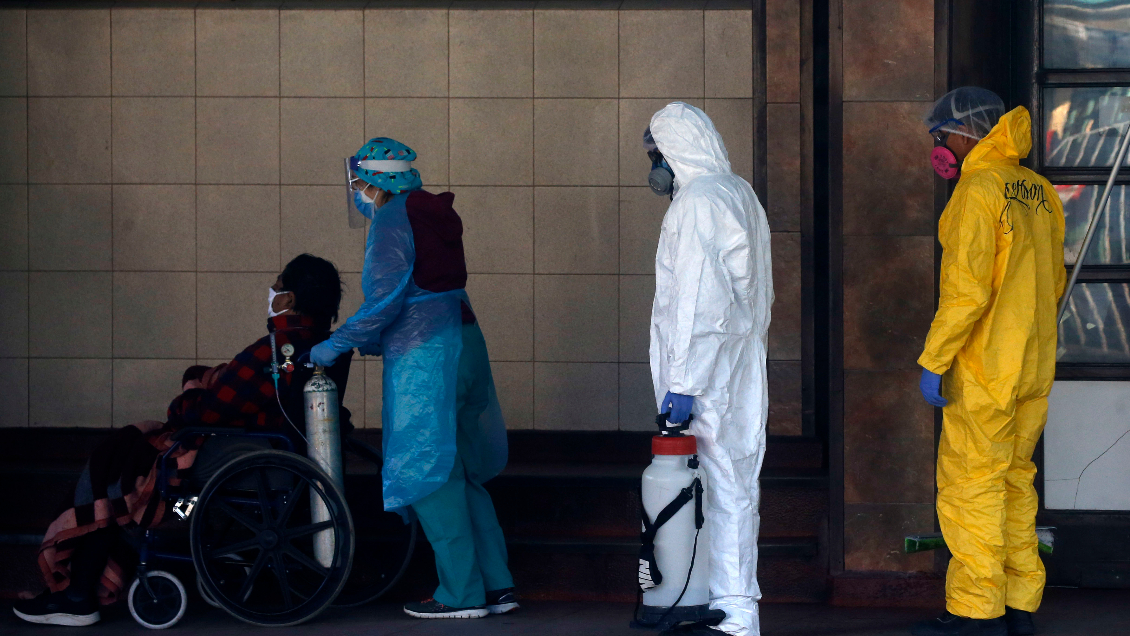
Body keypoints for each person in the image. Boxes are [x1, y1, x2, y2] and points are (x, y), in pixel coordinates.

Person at [14, 254, 349, 626]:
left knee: (117, 467)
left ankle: (77, 594)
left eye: (278, 284)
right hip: (273, 452)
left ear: (289, 298)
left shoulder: (275, 351)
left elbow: (200, 413)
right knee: (124, 458)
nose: (272, 291)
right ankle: (82, 585)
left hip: (245, 457)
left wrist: (191, 387)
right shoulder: (322, 346)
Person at [309, 138, 515, 620]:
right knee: (461, 471)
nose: (356, 193)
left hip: (428, 360)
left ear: (374, 181)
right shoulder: (431, 211)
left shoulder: (390, 220)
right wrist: (379, 337)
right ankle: (499, 586)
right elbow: (427, 291)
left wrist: (333, 343)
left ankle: (462, 595)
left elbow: (386, 298)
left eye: (358, 183)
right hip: (466, 345)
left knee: (429, 473)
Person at [914, 88, 1065, 636]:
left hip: (985, 369)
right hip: (1032, 365)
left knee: (972, 486)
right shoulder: (1039, 190)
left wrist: (936, 359)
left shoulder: (978, 190)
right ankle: (1020, 605)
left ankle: (975, 615)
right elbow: (1053, 283)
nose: (938, 149)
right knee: (1015, 484)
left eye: (939, 137)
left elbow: (966, 292)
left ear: (962, 133)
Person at [645, 102, 774, 636]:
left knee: (723, 486)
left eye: (656, 155)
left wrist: (684, 384)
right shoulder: (737, 191)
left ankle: (736, 614)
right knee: (734, 487)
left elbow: (700, 300)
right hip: (739, 365)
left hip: (709, 374)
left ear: (676, 150)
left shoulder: (699, 201)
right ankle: (730, 605)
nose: (654, 167)